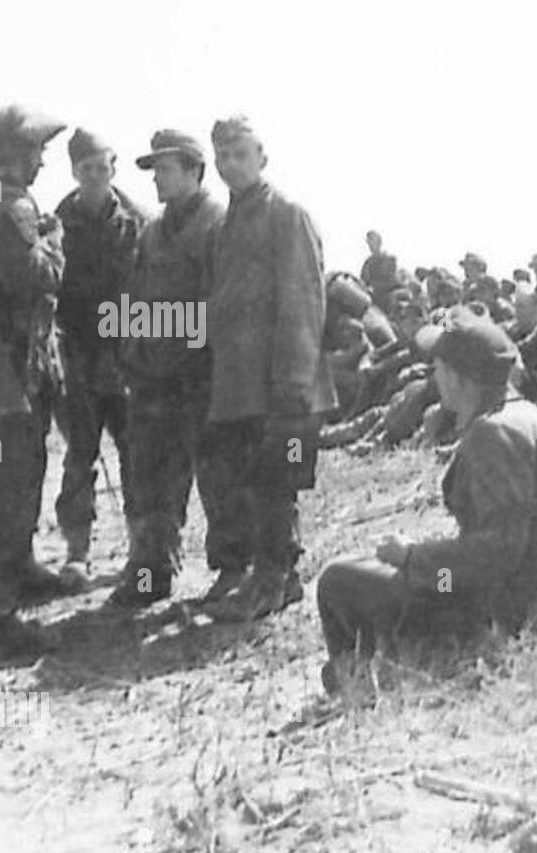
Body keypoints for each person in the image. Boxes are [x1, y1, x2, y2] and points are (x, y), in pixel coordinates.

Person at [316, 307, 537, 693]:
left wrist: (414, 557)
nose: (434, 377)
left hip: (502, 606)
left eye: (440, 368)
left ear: (462, 380)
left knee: (338, 579)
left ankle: (358, 682)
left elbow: (499, 552)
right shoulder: (529, 417)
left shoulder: (493, 434)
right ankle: (387, 662)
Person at [204, 115, 336, 621]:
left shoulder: (287, 215)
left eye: (239, 153)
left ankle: (275, 579)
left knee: (275, 483)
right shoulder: (227, 226)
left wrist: (294, 383)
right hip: (240, 386)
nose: (229, 164)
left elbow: (304, 301)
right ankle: (275, 576)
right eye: (222, 155)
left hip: (283, 385)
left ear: (262, 157)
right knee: (251, 482)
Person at [111, 128, 234, 607]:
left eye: (164, 169)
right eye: (154, 170)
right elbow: (136, 299)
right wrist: (129, 351)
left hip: (199, 377)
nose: (157, 179)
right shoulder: (152, 230)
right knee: (150, 480)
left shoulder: (216, 225)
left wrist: (186, 348)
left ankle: (231, 572)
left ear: (193, 171)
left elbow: (218, 304)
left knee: (217, 477)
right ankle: (150, 573)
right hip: (152, 380)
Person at [0, 105, 67, 654]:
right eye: (36, 149)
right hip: (6, 371)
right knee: (7, 479)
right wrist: (54, 241)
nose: (42, 159)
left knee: (23, 466)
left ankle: (17, 568)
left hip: (11, 366)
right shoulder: (7, 203)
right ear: (16, 151)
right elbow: (33, 277)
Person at [52, 128, 145, 591]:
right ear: (73, 172)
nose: (94, 175)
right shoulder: (57, 224)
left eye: (101, 166)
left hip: (127, 359)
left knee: (136, 454)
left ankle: (139, 550)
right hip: (80, 359)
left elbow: (150, 293)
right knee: (79, 455)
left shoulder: (138, 223)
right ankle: (77, 552)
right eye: (85, 168)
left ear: (112, 167)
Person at [359, 230, 400, 310]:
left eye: (372, 241)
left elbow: (390, 279)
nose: (370, 245)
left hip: (389, 294)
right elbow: (364, 280)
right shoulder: (368, 263)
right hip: (374, 297)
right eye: (369, 242)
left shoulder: (389, 259)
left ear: (379, 242)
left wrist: (373, 287)